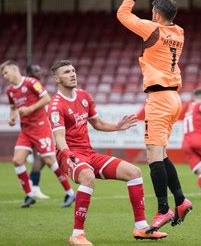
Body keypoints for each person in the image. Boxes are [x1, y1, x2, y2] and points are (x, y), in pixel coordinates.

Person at [48, 60, 168, 245]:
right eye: (66, 72)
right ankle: (77, 234)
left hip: (89, 153)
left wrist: (118, 127)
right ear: (56, 79)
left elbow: (98, 124)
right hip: (69, 154)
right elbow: (59, 137)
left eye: (73, 71)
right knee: (88, 177)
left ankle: (141, 227)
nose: (72, 74)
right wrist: (67, 154)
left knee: (134, 173)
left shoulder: (84, 96)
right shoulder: (56, 105)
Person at [117, 0, 192, 233]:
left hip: (160, 99)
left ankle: (163, 209)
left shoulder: (152, 29)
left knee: (153, 157)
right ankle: (180, 200)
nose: (151, 14)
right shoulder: (178, 31)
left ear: (156, 15)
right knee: (162, 154)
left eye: (153, 12)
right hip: (174, 98)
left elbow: (122, 14)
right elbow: (163, 13)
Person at [0, 60, 75, 208]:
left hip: (40, 127)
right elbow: (13, 107)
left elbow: (47, 98)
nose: (5, 76)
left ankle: (70, 192)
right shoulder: (10, 91)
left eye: (6, 72)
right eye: (3, 74)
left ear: (14, 70)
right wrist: (12, 117)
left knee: (49, 160)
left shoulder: (31, 82)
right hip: (26, 130)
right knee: (17, 160)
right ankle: (29, 195)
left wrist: (29, 109)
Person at [26, 64, 51, 201]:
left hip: (39, 125)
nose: (39, 72)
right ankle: (33, 187)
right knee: (41, 157)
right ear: (29, 73)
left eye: (39, 70)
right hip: (36, 127)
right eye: (36, 70)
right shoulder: (32, 85)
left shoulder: (32, 86)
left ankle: (31, 184)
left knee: (43, 157)